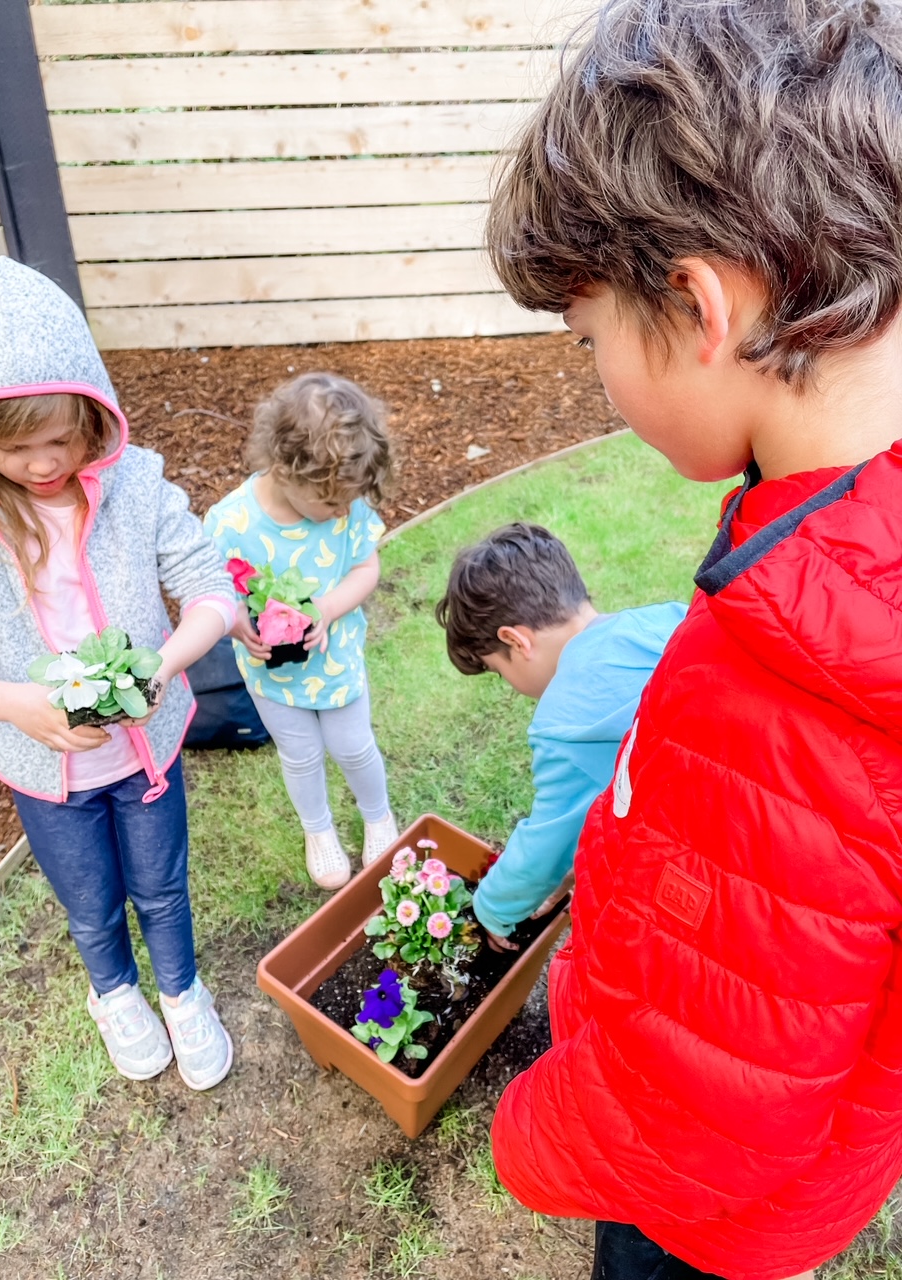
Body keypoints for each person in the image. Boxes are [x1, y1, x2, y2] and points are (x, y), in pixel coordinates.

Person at [484, 1, 902, 1278]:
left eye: (590, 338)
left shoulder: (795, 688)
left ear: (697, 305)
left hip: (702, 1220)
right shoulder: (827, 546)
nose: (598, 374)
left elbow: (695, 1121)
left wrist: (526, 1132)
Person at [0, 257, 238, 1091]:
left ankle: (180, 992)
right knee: (89, 900)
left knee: (163, 886)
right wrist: (16, 707)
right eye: (15, 449)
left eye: (61, 439)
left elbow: (211, 590)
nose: (43, 465)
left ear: (91, 410)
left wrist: (163, 666)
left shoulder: (138, 486)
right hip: (44, 771)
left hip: (145, 754)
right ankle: (114, 994)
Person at [436, 522, 685, 948]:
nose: (511, 687)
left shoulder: (567, 725)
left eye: (499, 671)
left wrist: (492, 909)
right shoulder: (668, 619)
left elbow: (549, 838)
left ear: (516, 641)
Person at [204, 372, 399, 891]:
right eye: (330, 503)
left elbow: (365, 568)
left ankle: (377, 815)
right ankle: (319, 831)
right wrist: (240, 628)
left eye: (347, 503)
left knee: (353, 746)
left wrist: (329, 609)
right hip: (272, 675)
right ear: (284, 468)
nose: (341, 511)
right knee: (301, 753)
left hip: (334, 663)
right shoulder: (229, 525)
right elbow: (211, 596)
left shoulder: (348, 504)